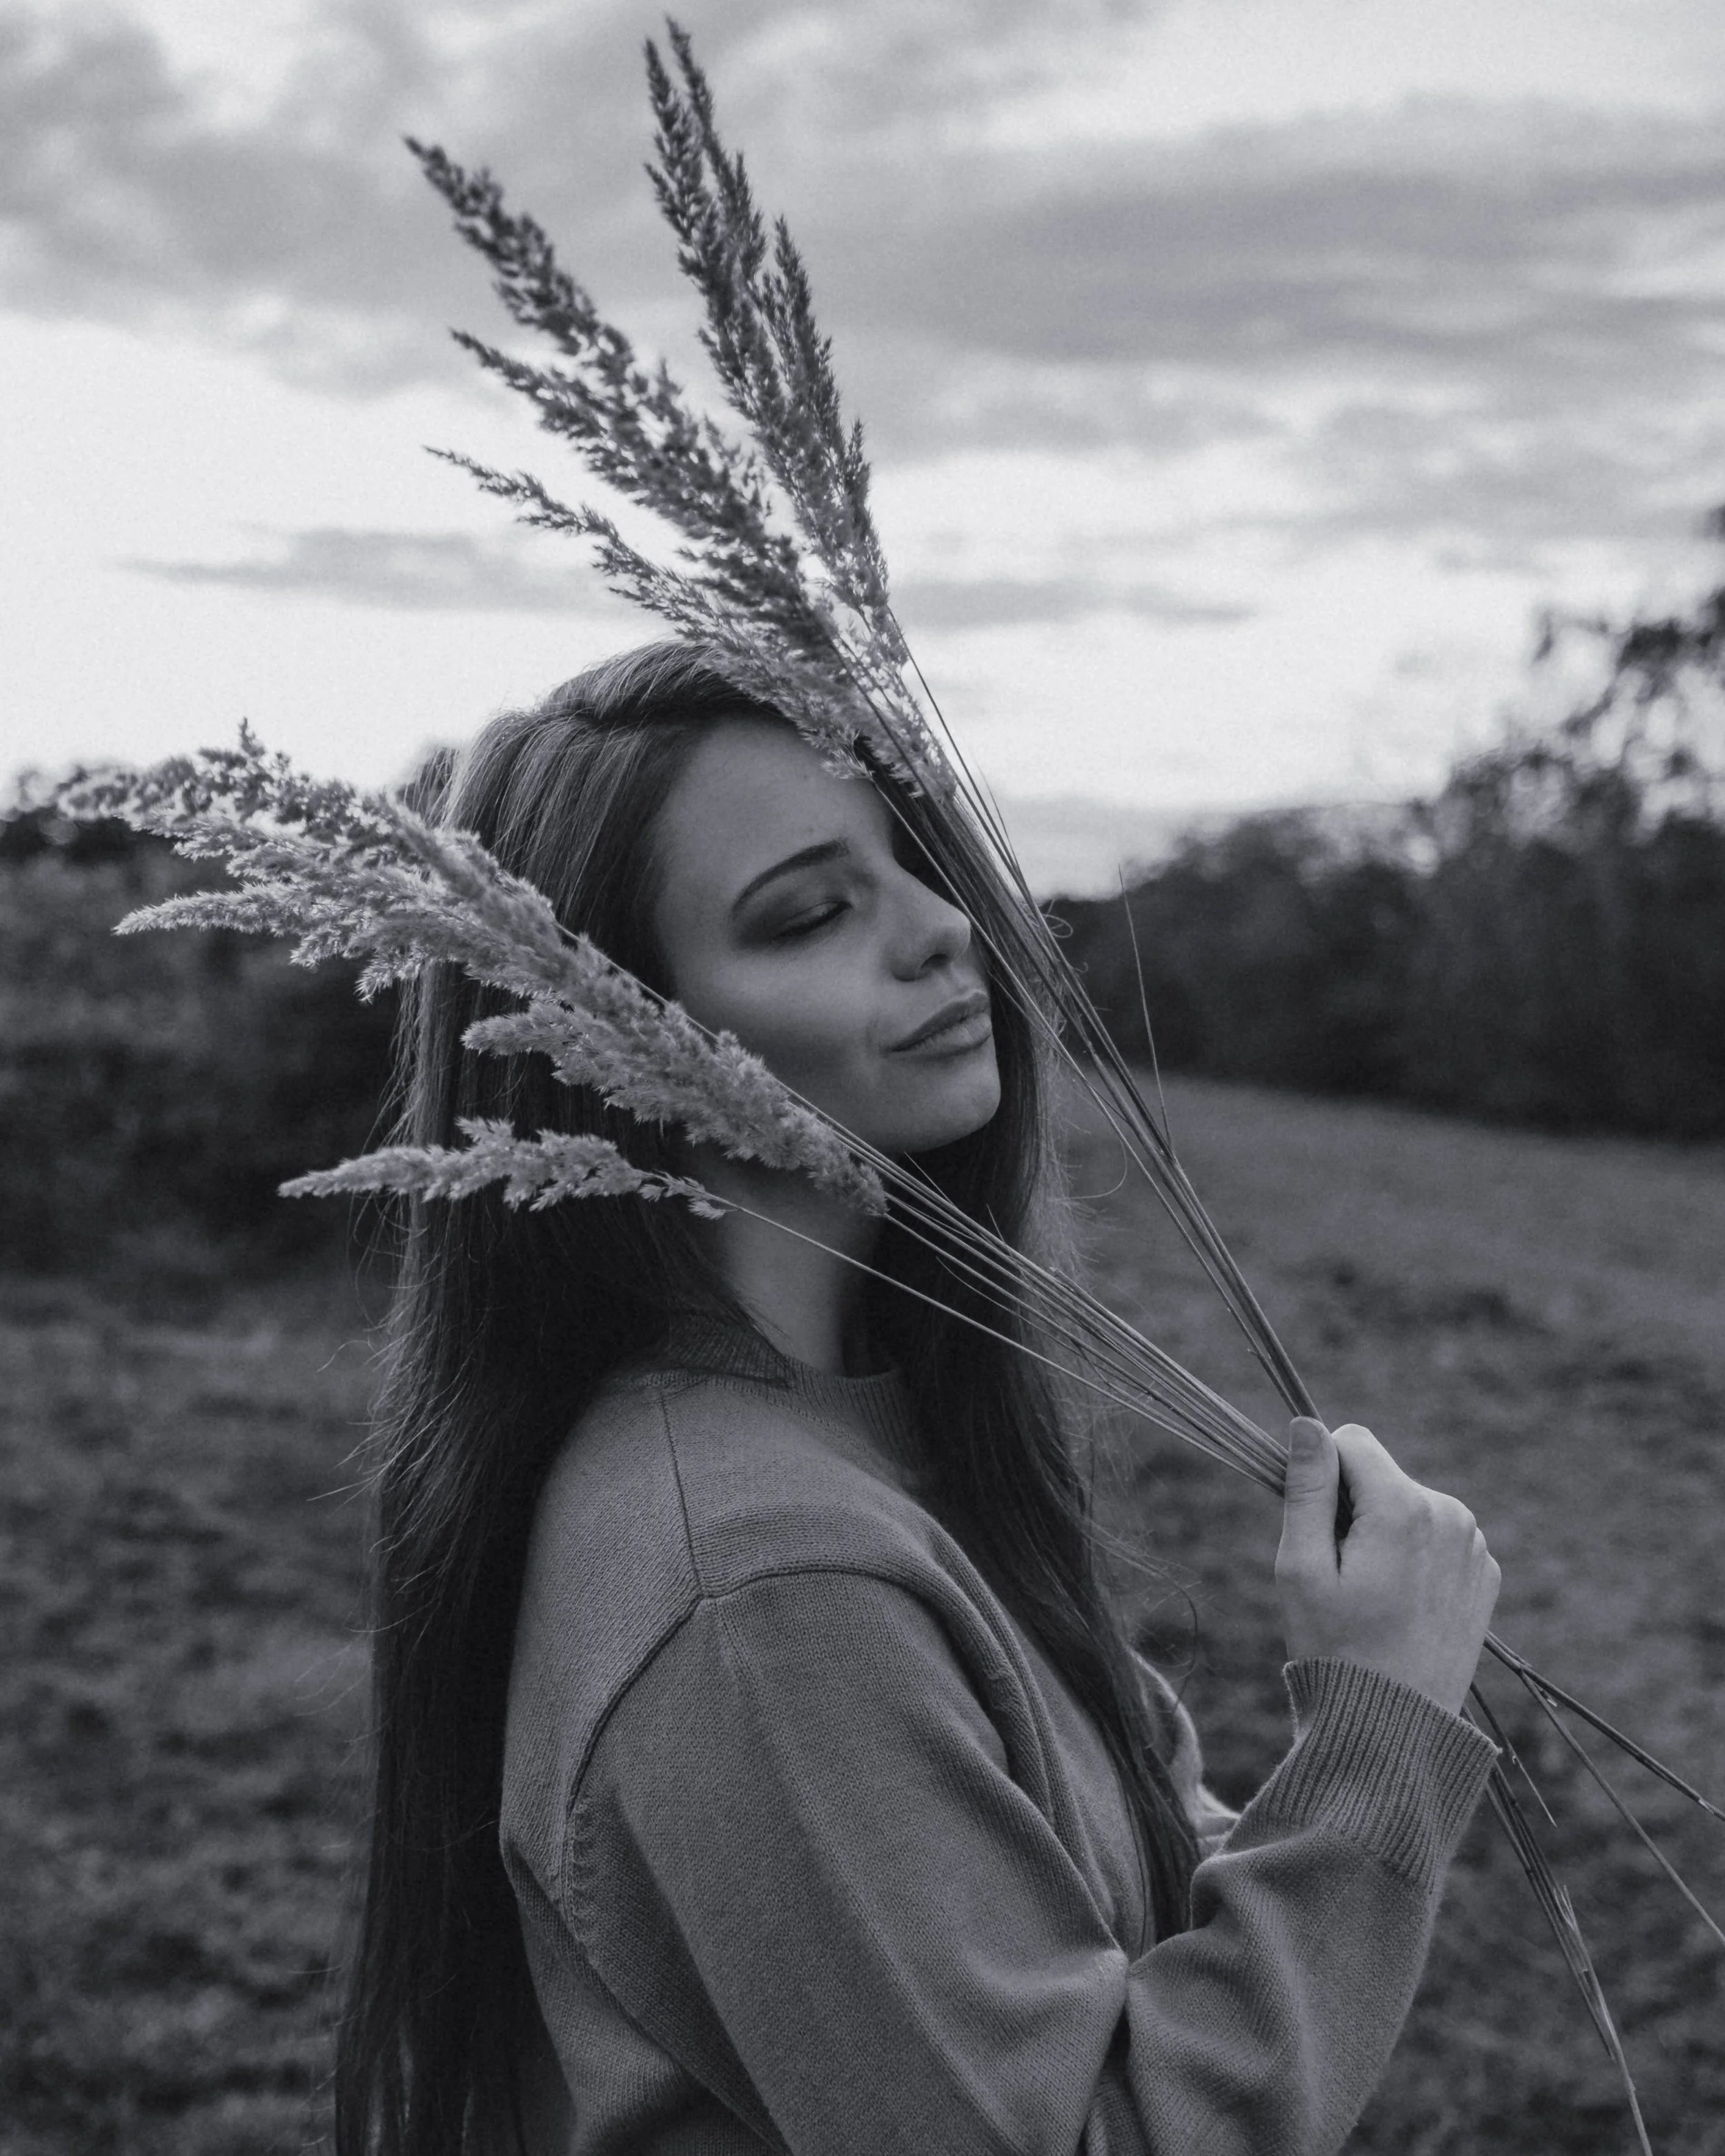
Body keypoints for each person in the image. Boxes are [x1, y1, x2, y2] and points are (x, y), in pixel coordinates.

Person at [332, 639, 1503, 2156]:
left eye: (914, 860)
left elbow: (1097, 1899)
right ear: (604, 1050)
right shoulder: (762, 1588)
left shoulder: (878, 1429)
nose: (948, 928)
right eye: (809, 910)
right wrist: (1377, 1727)